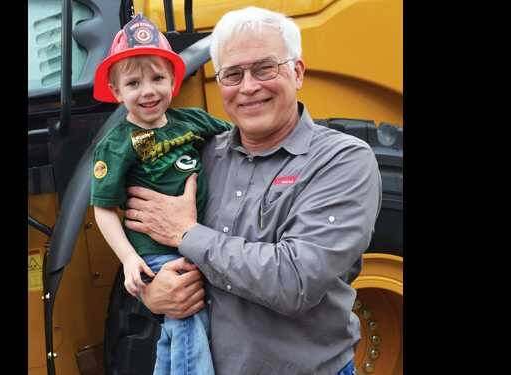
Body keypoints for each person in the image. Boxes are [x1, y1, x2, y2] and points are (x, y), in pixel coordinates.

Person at [123, 6, 382, 375]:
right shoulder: (201, 156)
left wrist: (186, 233)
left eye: (265, 68)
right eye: (232, 74)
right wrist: (150, 290)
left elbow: (294, 280)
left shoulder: (342, 161)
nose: (248, 87)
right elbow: (147, 233)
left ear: (297, 72)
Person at [90, 13, 232, 375]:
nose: (148, 91)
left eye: (157, 78)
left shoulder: (194, 122)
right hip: (156, 254)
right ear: (116, 91)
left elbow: (239, 137)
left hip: (194, 241)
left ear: (174, 79)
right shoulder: (116, 145)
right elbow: (103, 208)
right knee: (187, 319)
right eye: (133, 83)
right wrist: (126, 258)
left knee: (173, 335)